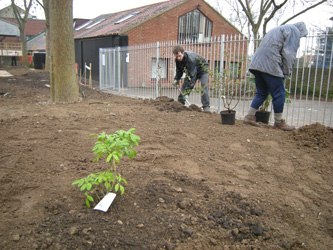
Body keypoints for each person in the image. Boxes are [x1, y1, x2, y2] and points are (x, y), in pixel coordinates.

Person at [243, 22, 308, 131]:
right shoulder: (294, 31)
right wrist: (285, 73)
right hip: (270, 63)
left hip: (256, 63)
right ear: (301, 31)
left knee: (262, 92)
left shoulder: (278, 29)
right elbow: (288, 54)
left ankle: (249, 117)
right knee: (279, 93)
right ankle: (278, 123)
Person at [172, 45, 210, 111]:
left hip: (202, 70)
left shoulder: (190, 60)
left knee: (204, 87)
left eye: (179, 56)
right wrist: (176, 79)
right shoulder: (177, 60)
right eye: (176, 56)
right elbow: (179, 70)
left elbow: (192, 77)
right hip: (191, 71)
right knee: (184, 87)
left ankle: (206, 107)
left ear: (183, 52)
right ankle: (179, 104)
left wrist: (186, 93)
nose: (178, 58)